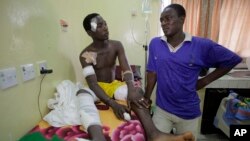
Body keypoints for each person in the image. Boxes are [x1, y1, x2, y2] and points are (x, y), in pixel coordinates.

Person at [79, 13, 195, 141]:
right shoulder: (86, 54)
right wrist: (112, 103)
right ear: (90, 32)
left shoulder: (116, 45)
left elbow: (127, 69)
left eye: (105, 23)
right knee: (82, 94)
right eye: (100, 26)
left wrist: (131, 88)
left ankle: (154, 134)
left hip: (112, 85)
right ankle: (98, 137)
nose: (105, 27)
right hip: (97, 87)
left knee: (137, 91)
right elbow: (93, 84)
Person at [144, 3, 242, 140]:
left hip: (187, 112)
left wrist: (205, 81)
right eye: (161, 20)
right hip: (162, 109)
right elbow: (152, 72)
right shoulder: (155, 43)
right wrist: (147, 97)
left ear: (182, 19)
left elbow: (233, 59)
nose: (164, 23)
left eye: (168, 18)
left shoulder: (201, 45)